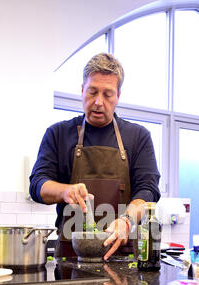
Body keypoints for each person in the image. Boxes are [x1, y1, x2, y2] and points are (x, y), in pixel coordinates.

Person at [29, 53, 161, 259]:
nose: (99, 102)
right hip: (70, 260)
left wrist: (127, 220)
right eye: (92, 92)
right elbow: (38, 185)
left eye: (107, 94)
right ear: (82, 90)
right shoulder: (58, 134)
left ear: (118, 95)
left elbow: (148, 191)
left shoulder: (138, 137)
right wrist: (65, 191)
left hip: (123, 258)